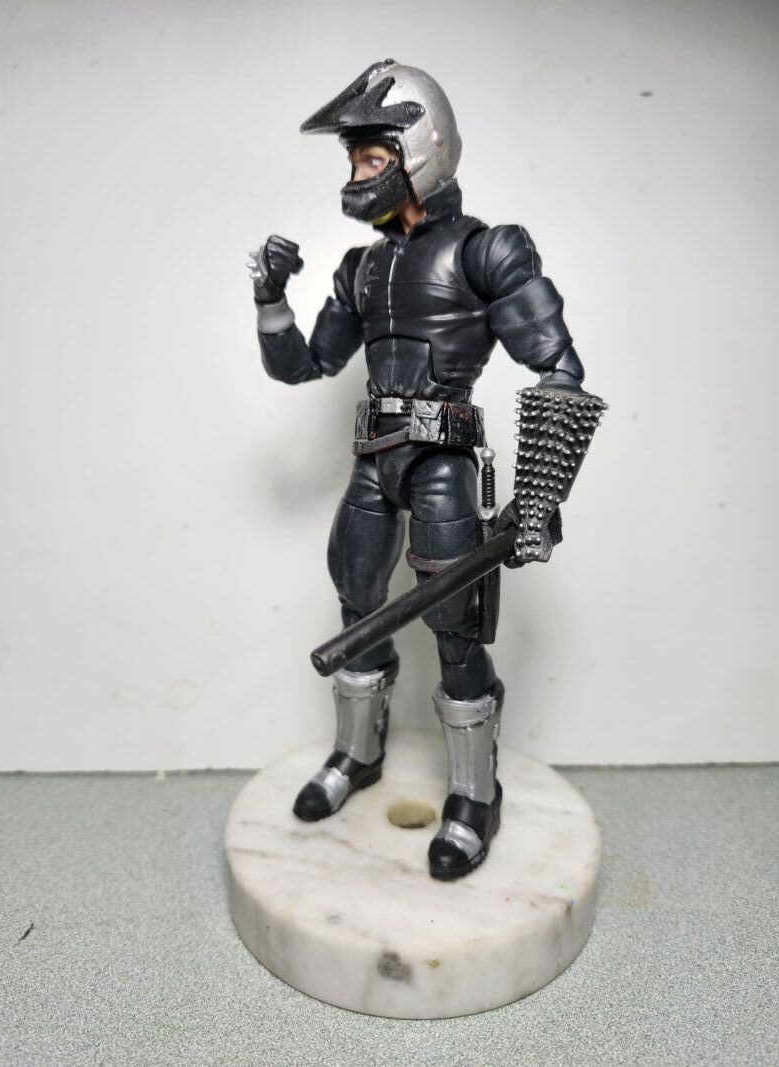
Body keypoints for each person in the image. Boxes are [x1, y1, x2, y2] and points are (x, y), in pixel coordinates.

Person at [250, 60, 588, 880]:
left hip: (443, 466)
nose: (357, 173)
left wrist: (538, 499)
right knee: (356, 598)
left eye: (372, 157)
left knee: (456, 629)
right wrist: (270, 300)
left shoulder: (487, 250)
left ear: (421, 150)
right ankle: (358, 754)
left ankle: (474, 795)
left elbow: (559, 369)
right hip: (374, 462)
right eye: (354, 159)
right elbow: (304, 366)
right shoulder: (361, 268)